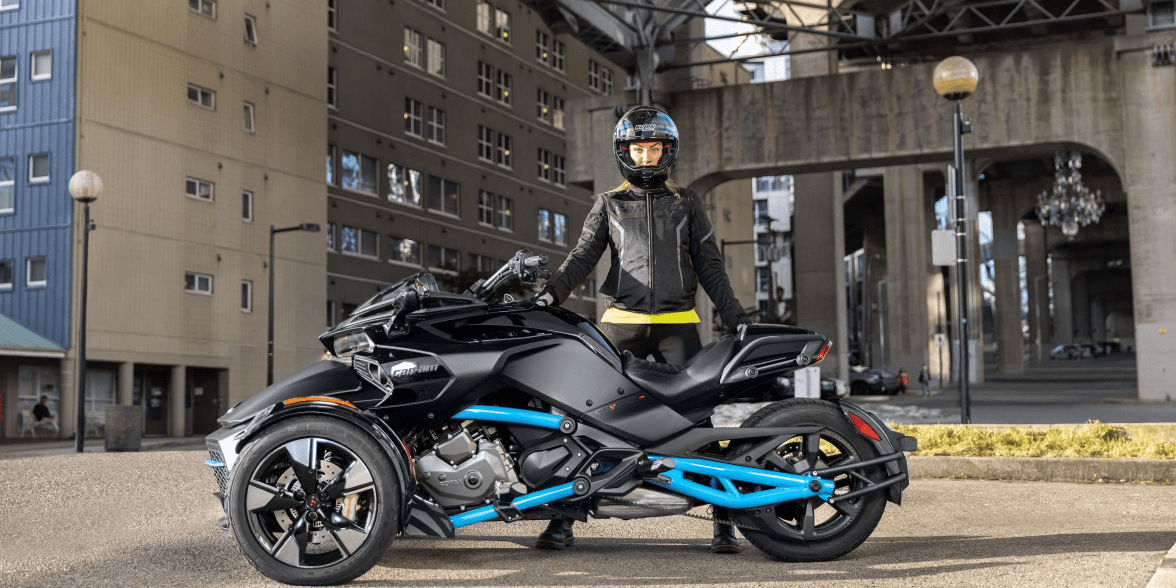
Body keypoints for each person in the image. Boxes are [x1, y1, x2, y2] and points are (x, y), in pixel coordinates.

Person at [533, 106, 751, 554]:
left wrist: (737, 316)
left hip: (678, 328)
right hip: (620, 327)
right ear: (624, 151)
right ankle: (562, 520)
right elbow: (581, 258)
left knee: (700, 424)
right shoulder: (608, 204)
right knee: (585, 420)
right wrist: (550, 295)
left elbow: (710, 267)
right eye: (638, 148)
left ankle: (724, 520)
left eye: (654, 149)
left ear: (667, 152)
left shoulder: (687, 202)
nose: (646, 157)